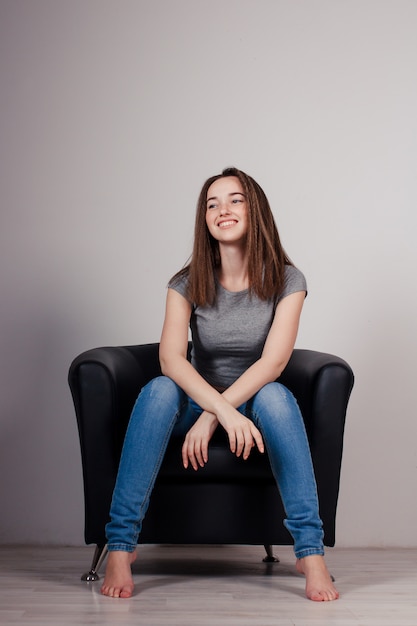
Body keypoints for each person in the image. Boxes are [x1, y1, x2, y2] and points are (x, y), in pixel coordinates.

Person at [101, 167, 339, 602]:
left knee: (278, 395)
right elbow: (171, 358)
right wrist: (215, 411)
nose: (222, 210)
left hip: (253, 405)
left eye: (235, 200)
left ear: (256, 210)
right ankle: (120, 546)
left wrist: (219, 415)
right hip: (197, 402)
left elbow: (275, 361)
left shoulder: (288, 280)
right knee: (158, 390)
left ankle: (310, 553)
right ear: (204, 219)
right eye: (212, 203)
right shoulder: (186, 281)